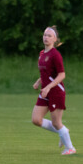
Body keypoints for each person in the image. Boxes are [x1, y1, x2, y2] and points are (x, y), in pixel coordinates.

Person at [31, 26, 75, 155]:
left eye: (49, 36)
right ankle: (63, 131)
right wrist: (38, 81)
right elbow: (46, 72)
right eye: (45, 35)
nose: (46, 37)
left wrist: (49, 87)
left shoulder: (56, 55)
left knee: (56, 122)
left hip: (56, 91)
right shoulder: (42, 53)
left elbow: (61, 75)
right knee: (36, 120)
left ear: (55, 39)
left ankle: (70, 148)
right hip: (45, 91)